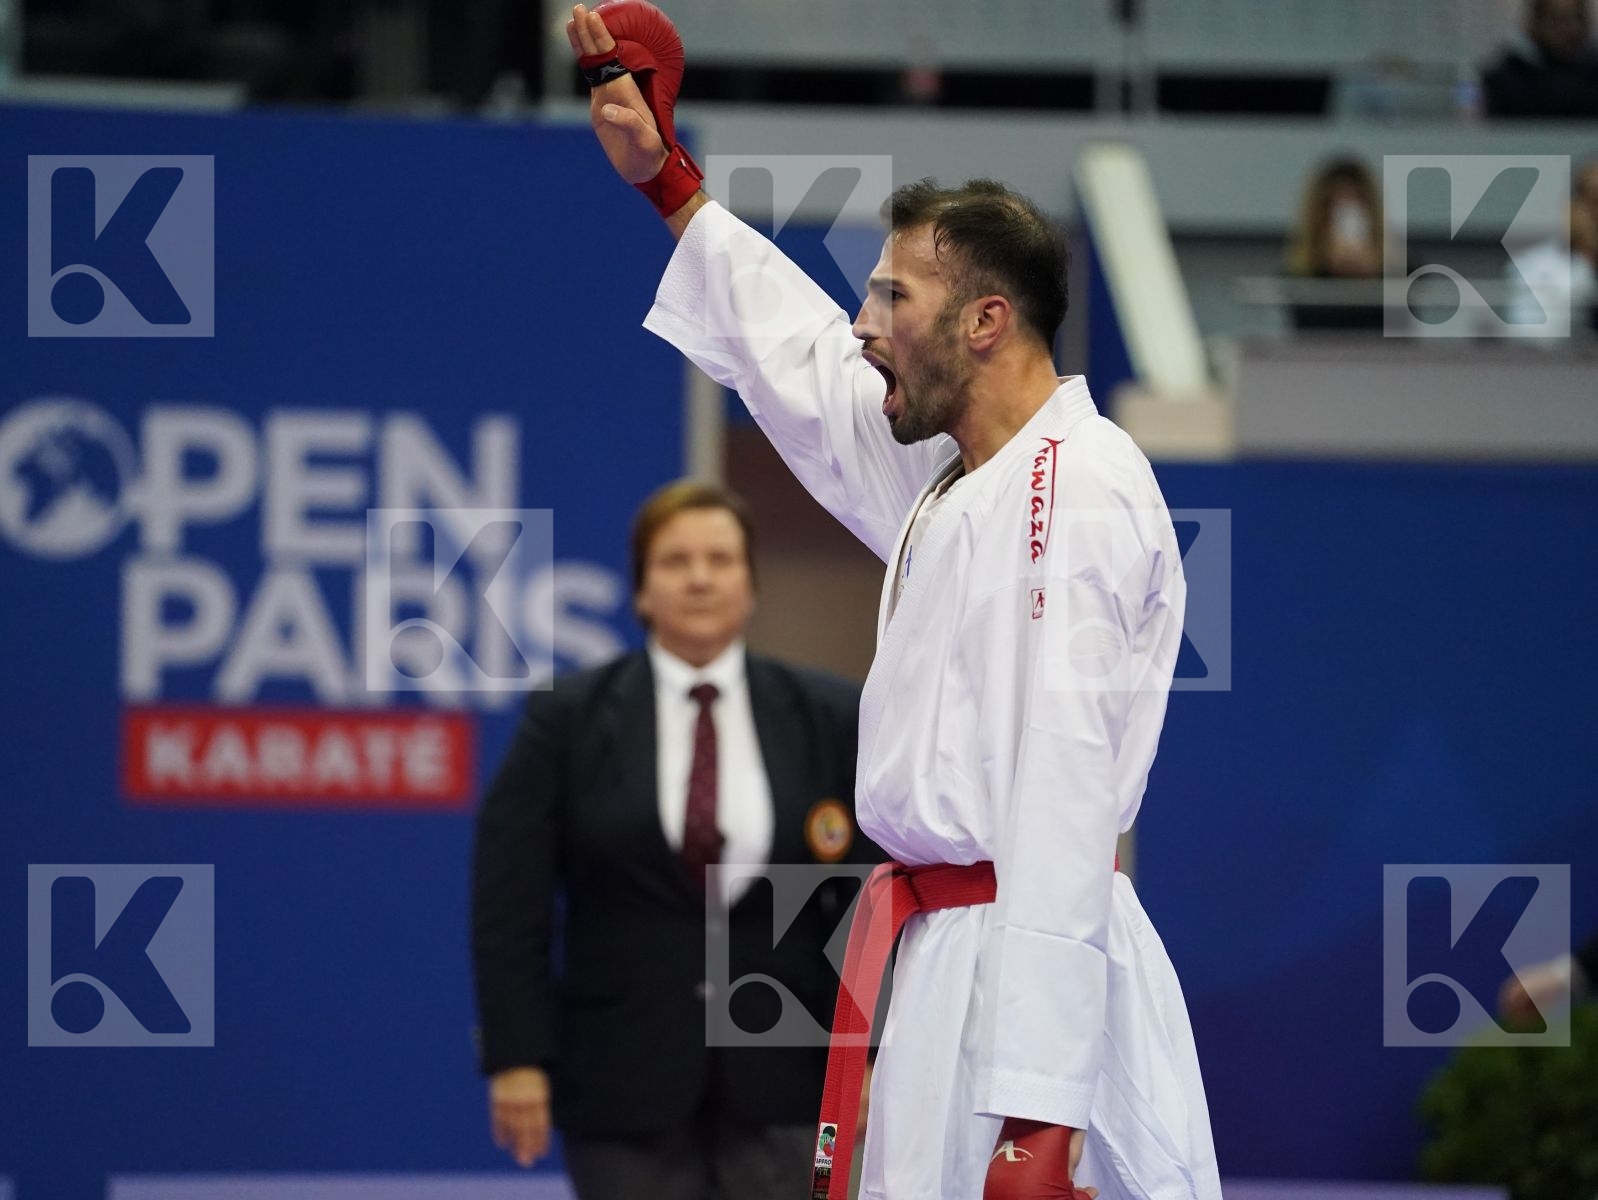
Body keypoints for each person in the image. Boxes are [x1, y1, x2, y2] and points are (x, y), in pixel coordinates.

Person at [564, 5, 1221, 1198]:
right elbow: (803, 366)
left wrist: (1039, 1115)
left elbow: (1066, 800)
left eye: (891, 299)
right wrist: (669, 187)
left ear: (985, 322)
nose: (862, 323)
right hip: (935, 963)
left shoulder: (1073, 489)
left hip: (1034, 977)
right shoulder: (954, 476)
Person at [471, 479, 878, 1200]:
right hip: (622, 1084)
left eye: (721, 560)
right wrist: (517, 1058)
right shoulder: (566, 721)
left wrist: (870, 1055)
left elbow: (861, 910)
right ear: (640, 590)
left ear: (750, 585)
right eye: (675, 560)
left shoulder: (828, 715)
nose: (698, 577)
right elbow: (511, 904)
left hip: (789, 1079)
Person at [1283, 156, 1390, 331]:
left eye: (1356, 205)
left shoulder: (1406, 273)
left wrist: (1376, 275)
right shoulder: (1295, 279)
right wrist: (1327, 269)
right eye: (1335, 208)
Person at [1504, 157, 1598, 338]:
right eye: (1593, 201)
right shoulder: (1533, 268)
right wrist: (1585, 266)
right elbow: (1535, 338)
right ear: (1573, 207)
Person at [1482, 0, 1598, 119]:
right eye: (1559, 21)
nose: (1572, 29)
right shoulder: (1507, 78)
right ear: (1535, 24)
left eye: (1578, 18)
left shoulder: (1593, 73)